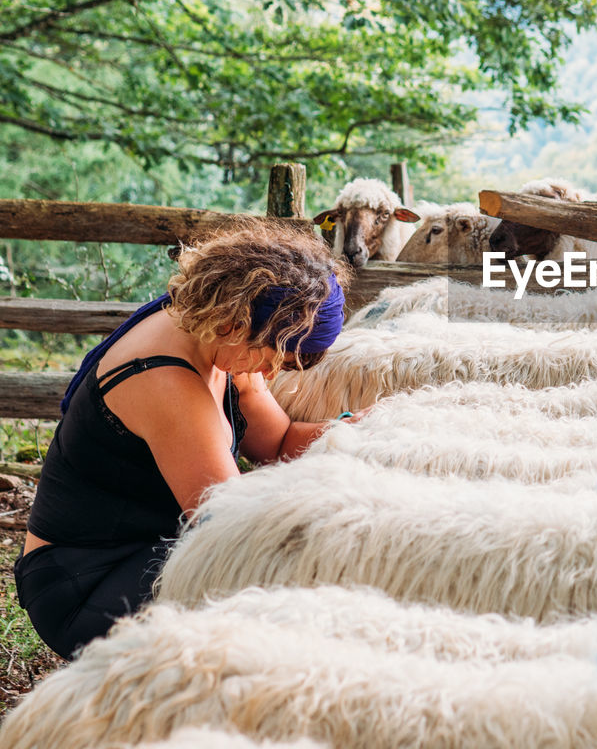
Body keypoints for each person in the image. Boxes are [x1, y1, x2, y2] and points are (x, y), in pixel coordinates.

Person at [15, 220, 353, 659]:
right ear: (238, 323)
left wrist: (358, 432)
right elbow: (232, 530)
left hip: (152, 547)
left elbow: (279, 441)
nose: (268, 374)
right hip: (84, 584)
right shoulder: (167, 382)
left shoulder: (222, 338)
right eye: (276, 358)